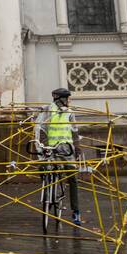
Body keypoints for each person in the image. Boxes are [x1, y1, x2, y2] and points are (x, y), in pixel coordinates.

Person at [34, 88, 83, 226]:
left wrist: (77, 149)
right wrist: (43, 146)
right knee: (44, 170)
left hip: (67, 151)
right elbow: (41, 130)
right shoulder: (48, 111)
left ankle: (76, 211)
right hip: (51, 150)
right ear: (61, 99)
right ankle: (48, 198)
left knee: (73, 178)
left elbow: (74, 132)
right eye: (68, 98)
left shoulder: (69, 113)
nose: (70, 101)